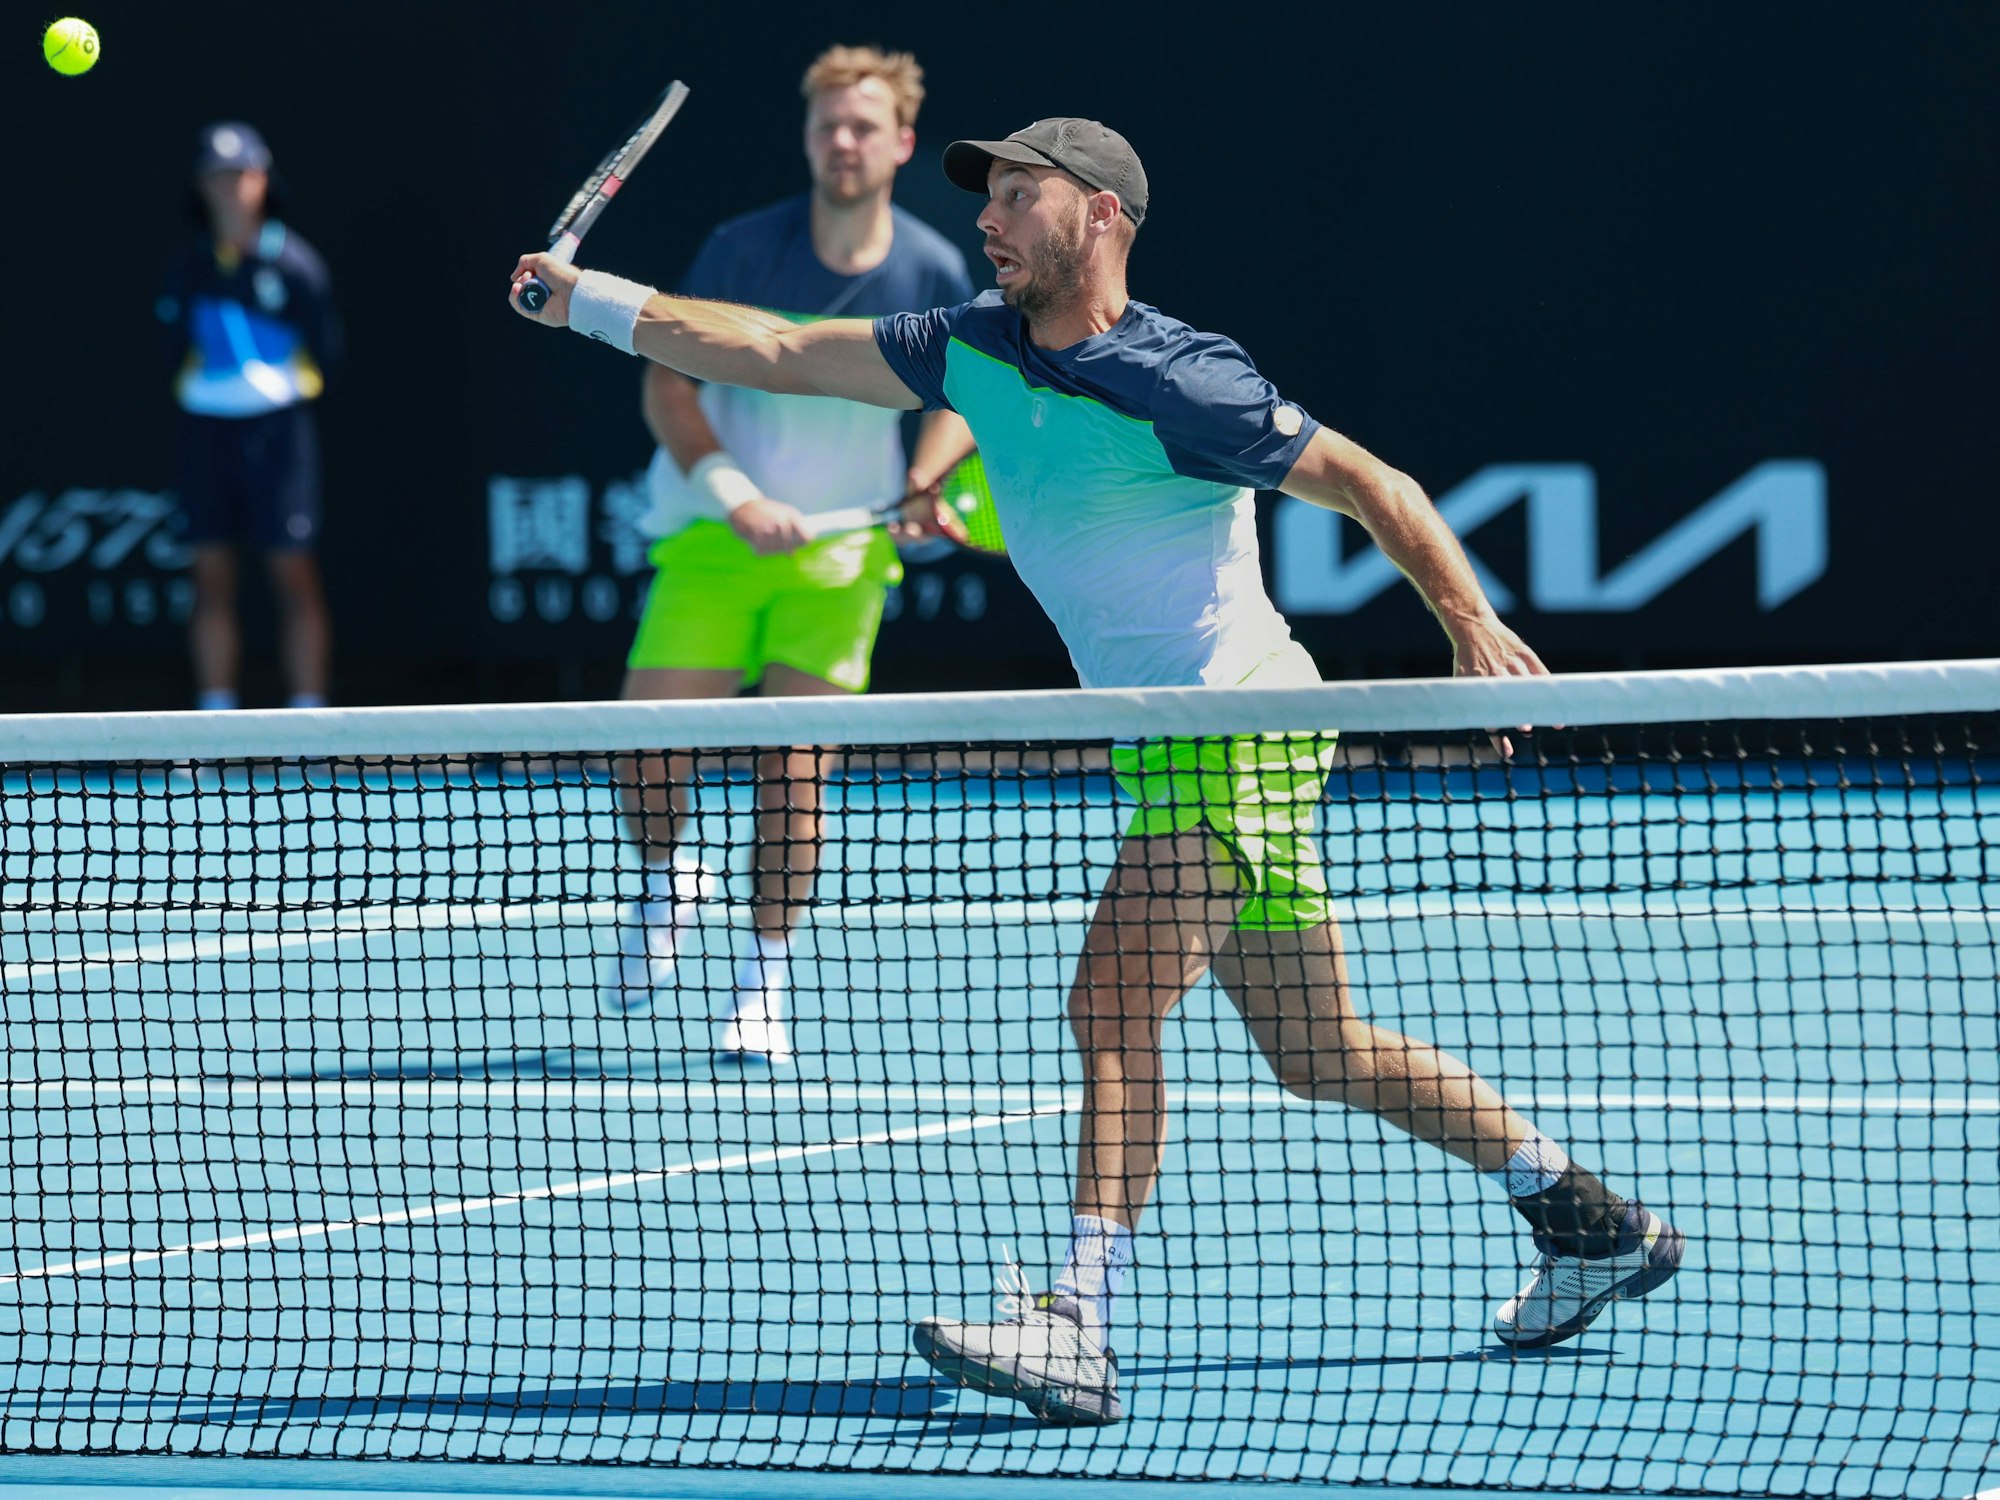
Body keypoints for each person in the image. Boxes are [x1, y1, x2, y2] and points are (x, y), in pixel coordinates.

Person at [508, 115, 1683, 1427]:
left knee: (1108, 1007)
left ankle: (1076, 1324)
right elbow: (774, 348)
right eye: (991, 198)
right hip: (1177, 746)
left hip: (1238, 724)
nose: (993, 221)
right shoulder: (971, 348)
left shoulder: (1180, 376)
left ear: (1103, 217)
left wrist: (1466, 618)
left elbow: (1369, 479)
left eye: (1021, 196)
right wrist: (593, 305)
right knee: (1320, 1050)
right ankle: (1586, 1217)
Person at [605, 45, 976, 1065]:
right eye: (825, 127)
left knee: (793, 776)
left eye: (861, 127)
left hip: (838, 560)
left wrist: (919, 487)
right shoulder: (737, 251)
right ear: (807, 139)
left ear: (900, 143)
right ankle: (669, 877)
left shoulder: (930, 274)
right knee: (642, 755)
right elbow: (666, 381)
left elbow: (963, 403)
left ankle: (763, 980)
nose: (841, 143)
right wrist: (737, 498)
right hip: (713, 539)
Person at [156, 122, 338, 711]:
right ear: (201, 188)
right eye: (218, 177)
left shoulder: (298, 268)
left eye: (240, 175)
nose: (230, 188)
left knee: (294, 575)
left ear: (263, 181)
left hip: (278, 433)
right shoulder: (188, 269)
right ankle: (214, 720)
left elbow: (327, 353)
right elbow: (168, 351)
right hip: (205, 431)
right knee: (209, 576)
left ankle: (309, 728)